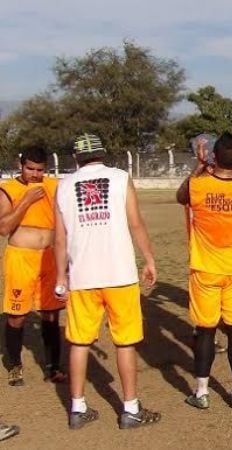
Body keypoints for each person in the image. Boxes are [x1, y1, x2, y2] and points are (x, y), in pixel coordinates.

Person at [54, 133, 160, 429]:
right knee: (125, 343)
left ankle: (77, 408)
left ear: (76, 158)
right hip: (120, 275)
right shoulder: (120, 178)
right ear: (103, 153)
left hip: (82, 277)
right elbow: (135, 222)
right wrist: (149, 259)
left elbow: (60, 239)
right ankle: (130, 409)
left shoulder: (62, 187)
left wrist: (61, 276)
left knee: (79, 342)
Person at [177, 132, 232, 410]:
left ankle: (201, 392)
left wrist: (199, 166)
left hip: (206, 269)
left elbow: (181, 196)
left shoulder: (199, 186)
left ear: (214, 157)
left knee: (206, 331)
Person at [0, 147, 66, 387]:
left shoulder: (55, 186)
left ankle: (53, 366)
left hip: (49, 257)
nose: (35, 174)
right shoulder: (9, 189)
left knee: (51, 313)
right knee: (17, 315)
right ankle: (15, 366)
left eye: (39, 170)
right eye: (30, 169)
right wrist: (25, 201)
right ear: (21, 166)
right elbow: (4, 228)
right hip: (21, 258)